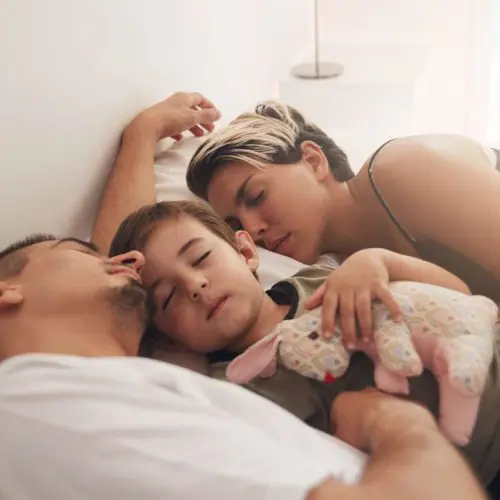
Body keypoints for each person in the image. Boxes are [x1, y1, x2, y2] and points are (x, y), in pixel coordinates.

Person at [0, 234, 487, 500]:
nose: (127, 259)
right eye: (78, 253)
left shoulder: (113, 395)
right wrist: (397, 425)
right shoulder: (42, 404)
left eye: (201, 257)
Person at [108, 199, 500, 490]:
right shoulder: (230, 392)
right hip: (470, 471)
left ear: (246, 252)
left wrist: (379, 262)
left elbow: (459, 294)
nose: (195, 286)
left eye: (200, 258)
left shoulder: (323, 276)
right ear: (167, 336)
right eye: (167, 298)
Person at [92, 91, 500, 346]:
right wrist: (143, 133)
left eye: (257, 195)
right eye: (236, 224)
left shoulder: (401, 171)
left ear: (313, 160)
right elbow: (126, 262)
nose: (253, 229)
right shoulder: (328, 271)